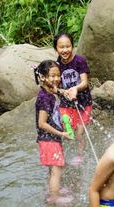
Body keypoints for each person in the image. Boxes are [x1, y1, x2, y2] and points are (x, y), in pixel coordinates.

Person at [33, 60, 74, 204]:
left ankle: (53, 189)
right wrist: (62, 134)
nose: (56, 79)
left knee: (53, 168)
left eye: (58, 75)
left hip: (50, 139)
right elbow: (42, 123)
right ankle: (54, 198)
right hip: (48, 139)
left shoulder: (49, 93)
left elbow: (57, 91)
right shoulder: (44, 98)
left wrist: (63, 119)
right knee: (57, 169)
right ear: (43, 77)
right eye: (52, 76)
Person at [53, 32, 93, 165]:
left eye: (67, 46)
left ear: (72, 46)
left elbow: (84, 82)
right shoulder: (57, 65)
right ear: (56, 49)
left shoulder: (79, 61)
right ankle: (65, 152)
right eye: (61, 47)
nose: (65, 50)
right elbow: (56, 87)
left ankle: (80, 155)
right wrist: (62, 91)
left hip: (83, 102)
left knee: (79, 132)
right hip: (66, 103)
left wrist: (75, 89)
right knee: (66, 127)